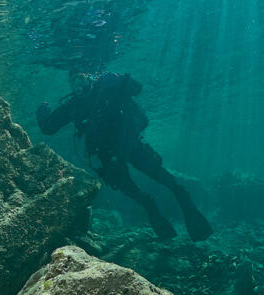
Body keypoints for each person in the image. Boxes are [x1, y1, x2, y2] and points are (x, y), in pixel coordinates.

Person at [36, 71, 212, 241]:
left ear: (90, 76)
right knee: (134, 193)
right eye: (73, 80)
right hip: (106, 157)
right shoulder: (72, 106)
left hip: (130, 145)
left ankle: (188, 207)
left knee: (168, 181)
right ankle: (153, 211)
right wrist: (42, 111)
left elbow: (137, 89)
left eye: (80, 77)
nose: (77, 84)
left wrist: (121, 80)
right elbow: (48, 128)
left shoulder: (107, 87)